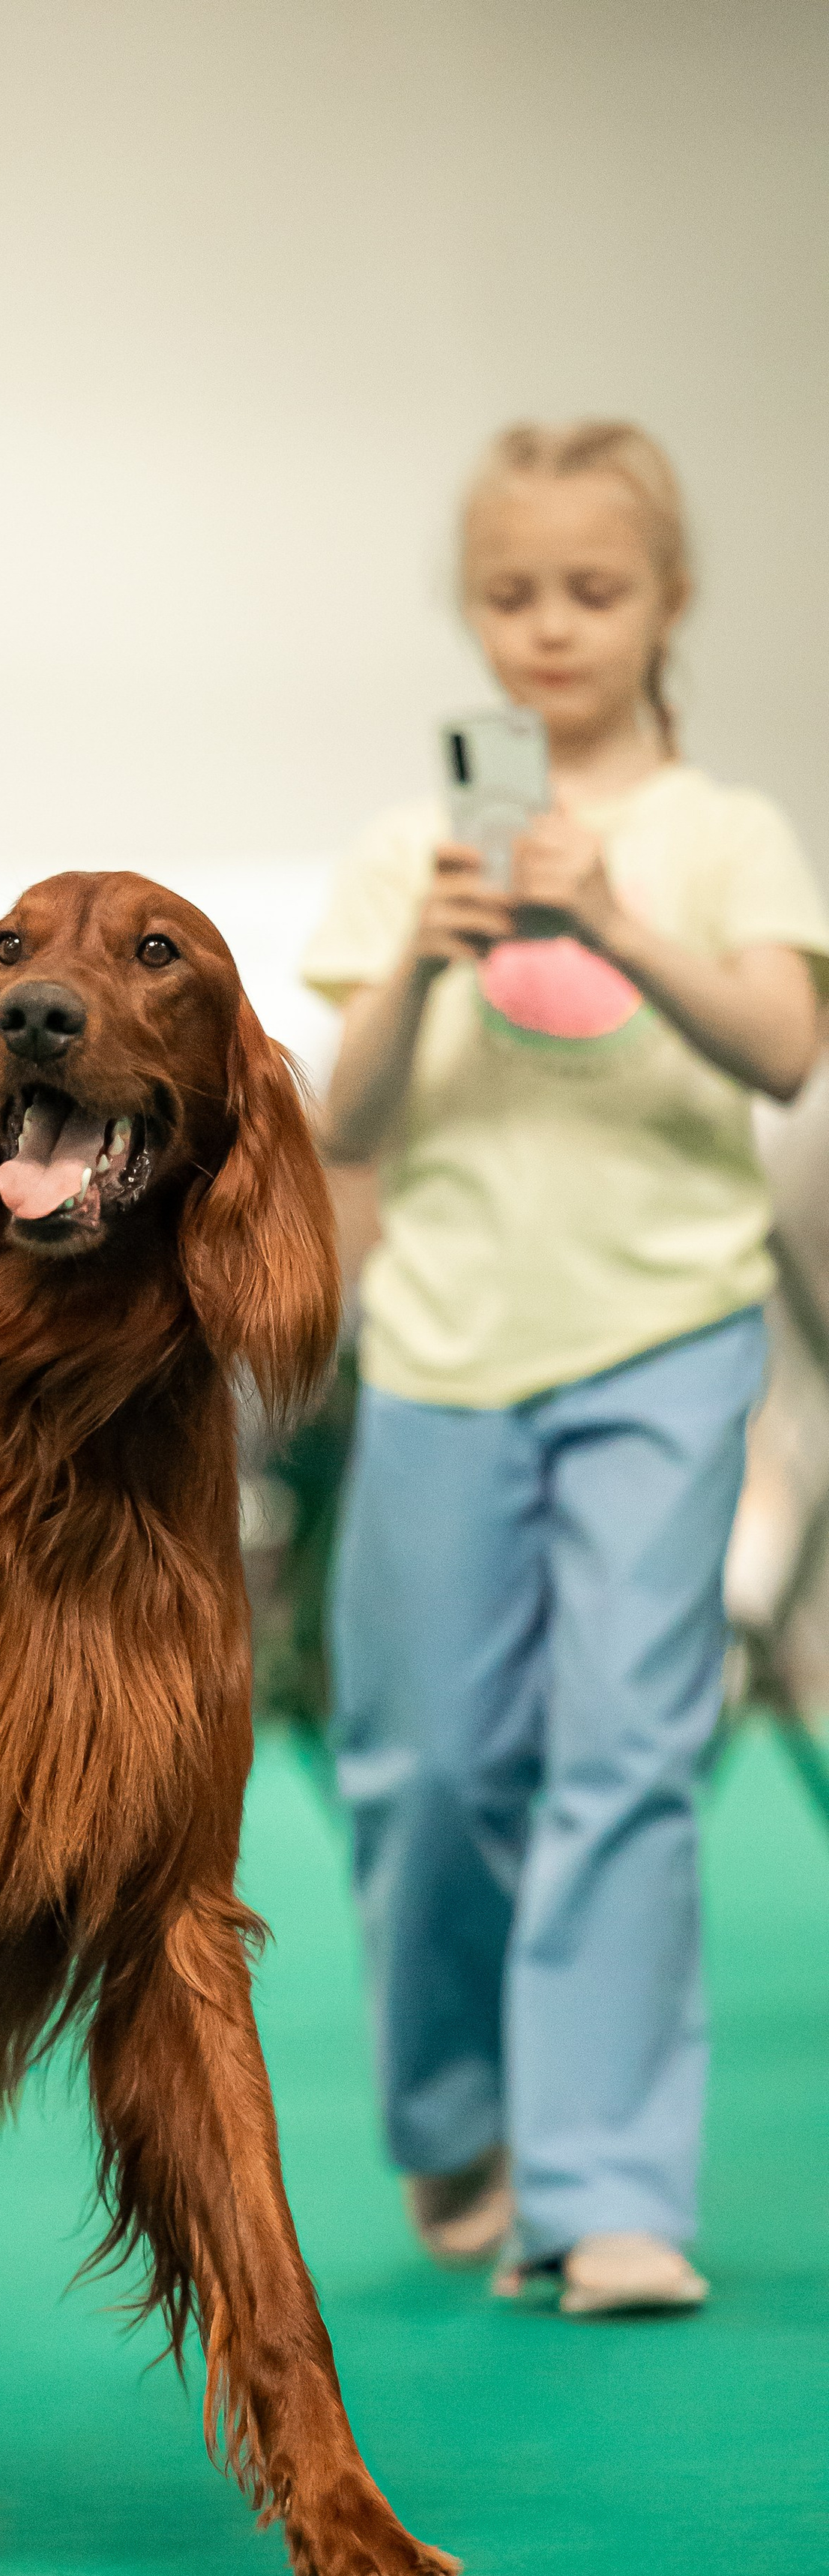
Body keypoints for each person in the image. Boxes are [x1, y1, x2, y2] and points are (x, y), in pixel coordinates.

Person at [304, 421, 828, 2317]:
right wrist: (427, 958)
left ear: (664, 605)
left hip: (664, 1345)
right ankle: (455, 2115)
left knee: (625, 1755)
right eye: (509, 595)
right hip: (444, 1354)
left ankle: (606, 2191)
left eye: (590, 593)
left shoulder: (725, 834)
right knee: (430, 1763)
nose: (547, 629)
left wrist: (608, 913)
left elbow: (782, 1049)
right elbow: (340, 1122)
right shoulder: (405, 850)